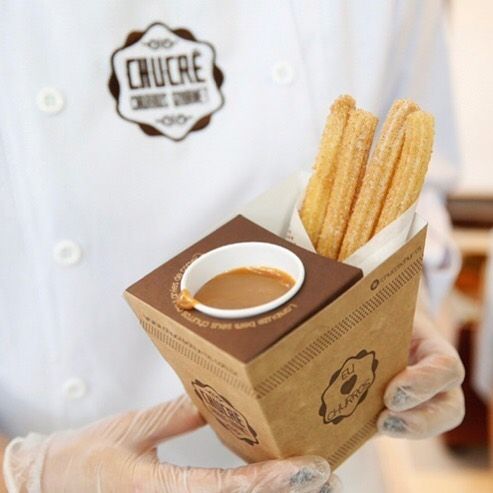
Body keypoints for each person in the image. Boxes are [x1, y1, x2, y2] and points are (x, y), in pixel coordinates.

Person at [0, 1, 465, 491]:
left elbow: (415, 182)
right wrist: (26, 474)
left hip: (330, 452)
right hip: (66, 453)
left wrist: (395, 310)